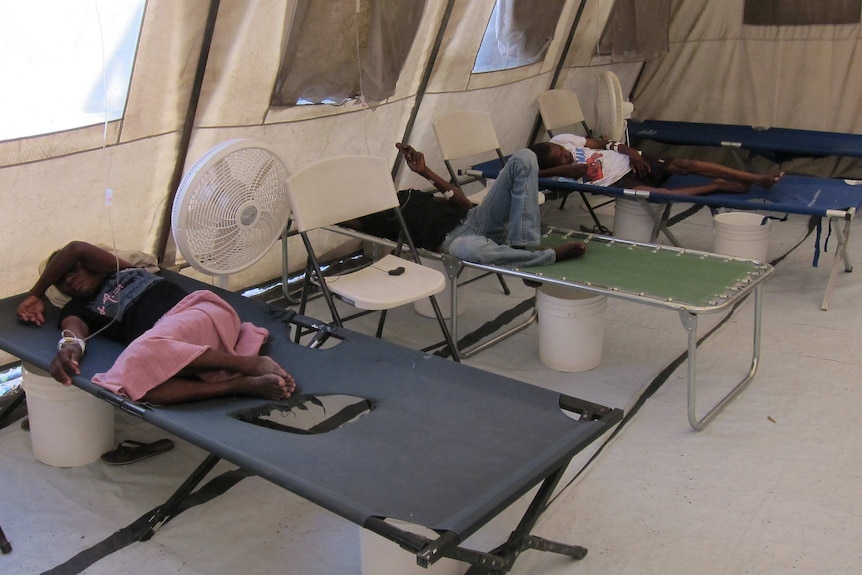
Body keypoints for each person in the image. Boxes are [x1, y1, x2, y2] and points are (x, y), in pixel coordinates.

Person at [16, 241, 296, 405]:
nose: (69, 280)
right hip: (171, 351)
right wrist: (67, 351)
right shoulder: (78, 308)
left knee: (146, 348)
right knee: (126, 384)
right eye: (61, 282)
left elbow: (76, 248)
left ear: (86, 264)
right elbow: (73, 335)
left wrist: (35, 293)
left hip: (197, 314)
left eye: (71, 270)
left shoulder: (120, 269)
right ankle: (240, 385)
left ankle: (249, 365)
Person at [345, 143, 586, 267]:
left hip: (476, 218)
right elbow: (335, 217)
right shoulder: (370, 216)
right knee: (466, 250)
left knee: (525, 157)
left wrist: (425, 171)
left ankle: (522, 246)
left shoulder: (407, 195)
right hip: (452, 241)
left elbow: (462, 203)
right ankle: (543, 257)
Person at [529, 133, 784, 196]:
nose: (566, 154)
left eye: (563, 152)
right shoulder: (556, 174)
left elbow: (605, 143)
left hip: (629, 161)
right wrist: (545, 171)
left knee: (687, 164)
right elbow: (580, 170)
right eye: (561, 157)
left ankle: (756, 178)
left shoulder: (562, 139)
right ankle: (715, 186)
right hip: (616, 181)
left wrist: (633, 153)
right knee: (659, 195)